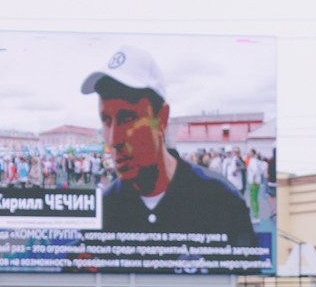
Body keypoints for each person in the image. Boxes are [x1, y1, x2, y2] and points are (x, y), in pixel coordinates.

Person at [81, 46, 261, 243]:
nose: (114, 140)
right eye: (106, 120)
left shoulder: (220, 201)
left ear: (162, 119)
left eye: (127, 118)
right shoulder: (101, 214)